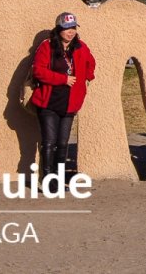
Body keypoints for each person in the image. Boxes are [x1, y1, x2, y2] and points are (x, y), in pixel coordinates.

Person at [28, 11, 96, 183]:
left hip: (70, 103)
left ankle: (58, 179)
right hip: (49, 102)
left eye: (73, 28)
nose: (70, 32)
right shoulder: (47, 47)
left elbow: (91, 62)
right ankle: (48, 179)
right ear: (58, 29)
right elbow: (38, 71)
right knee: (49, 143)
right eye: (67, 28)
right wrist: (63, 79)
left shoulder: (81, 47)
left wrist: (87, 78)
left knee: (63, 144)